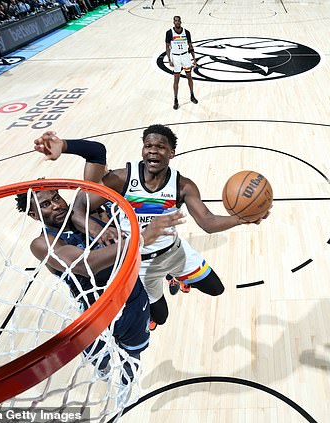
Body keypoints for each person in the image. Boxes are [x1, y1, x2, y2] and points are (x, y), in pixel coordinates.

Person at [32, 125, 269, 330]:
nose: (153, 150)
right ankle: (168, 283)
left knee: (216, 289)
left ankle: (180, 276)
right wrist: (97, 230)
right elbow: (80, 206)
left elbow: (207, 222)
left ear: (172, 153)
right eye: (148, 145)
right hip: (140, 263)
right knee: (161, 318)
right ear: (143, 150)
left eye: (161, 146)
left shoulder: (182, 185)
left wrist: (242, 218)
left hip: (175, 253)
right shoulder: (122, 179)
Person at [16, 150, 186, 380]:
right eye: (46, 204)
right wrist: (143, 237)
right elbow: (87, 265)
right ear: (34, 215)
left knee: (133, 353)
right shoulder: (43, 244)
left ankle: (127, 380)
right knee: (99, 355)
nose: (56, 205)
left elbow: (96, 153)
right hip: (94, 311)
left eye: (56, 197)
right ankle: (104, 372)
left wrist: (65, 145)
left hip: (132, 298)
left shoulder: (87, 212)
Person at [165, 16, 197, 110]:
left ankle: (192, 95)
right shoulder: (169, 32)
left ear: (181, 22)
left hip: (185, 56)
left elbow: (190, 46)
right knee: (176, 80)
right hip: (176, 57)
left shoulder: (186, 32)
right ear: (173, 22)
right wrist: (169, 59)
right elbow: (167, 46)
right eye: (175, 21)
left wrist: (194, 58)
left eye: (178, 21)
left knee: (189, 77)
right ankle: (175, 100)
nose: (177, 22)